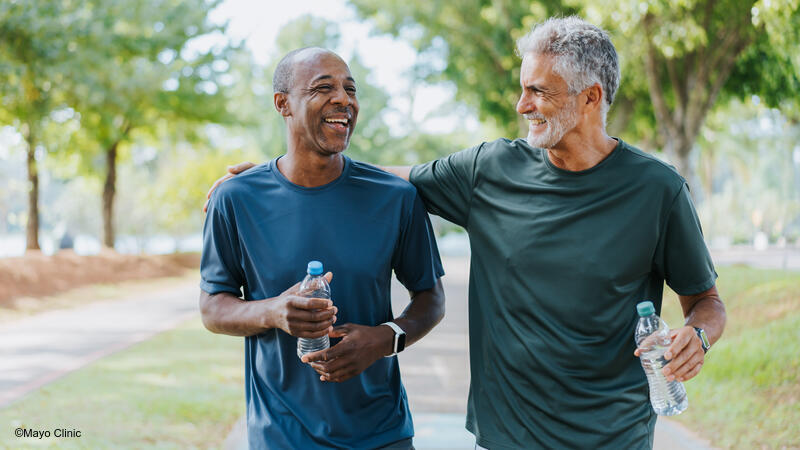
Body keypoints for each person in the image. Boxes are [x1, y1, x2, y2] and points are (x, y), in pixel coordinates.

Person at [207, 17, 726, 449]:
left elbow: (705, 300)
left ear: (590, 98)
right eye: (522, 89)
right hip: (506, 437)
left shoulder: (658, 189)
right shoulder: (490, 169)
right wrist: (273, 175)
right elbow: (379, 179)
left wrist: (696, 336)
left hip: (617, 435)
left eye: (537, 91)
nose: (522, 105)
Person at [199, 47, 445, 450]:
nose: (344, 100)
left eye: (351, 89)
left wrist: (385, 338)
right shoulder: (236, 199)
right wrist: (274, 311)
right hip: (280, 436)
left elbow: (431, 298)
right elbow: (212, 308)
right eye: (323, 88)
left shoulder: (396, 198)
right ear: (284, 105)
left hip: (382, 434)